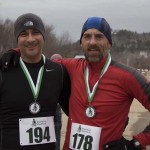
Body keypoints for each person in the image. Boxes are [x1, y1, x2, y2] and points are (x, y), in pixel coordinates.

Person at [1, 17, 150, 150]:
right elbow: (36, 58)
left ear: (109, 42)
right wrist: (16, 52)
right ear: (81, 42)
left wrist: (136, 143)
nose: (92, 42)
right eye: (87, 37)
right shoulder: (68, 67)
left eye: (99, 36)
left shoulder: (128, 76)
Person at [0, 13, 70, 150]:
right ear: (17, 39)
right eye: (24, 34)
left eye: (36, 32)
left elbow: (77, 111)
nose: (30, 39)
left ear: (43, 36)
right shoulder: (4, 70)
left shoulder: (58, 71)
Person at [50, 53, 63, 150]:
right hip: (47, 106)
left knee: (57, 128)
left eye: (59, 60)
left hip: (58, 106)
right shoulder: (46, 71)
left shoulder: (64, 72)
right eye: (54, 60)